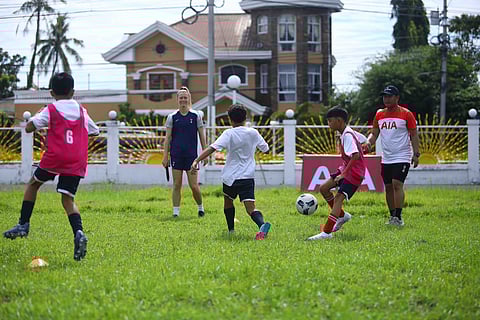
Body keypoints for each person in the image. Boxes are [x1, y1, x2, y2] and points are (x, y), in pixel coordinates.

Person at [3, 72, 99, 261]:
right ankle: (78, 232)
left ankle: (23, 225)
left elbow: (30, 128)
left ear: (52, 92)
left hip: (55, 156)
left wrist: (39, 115)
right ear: (73, 91)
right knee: (67, 200)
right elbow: (95, 131)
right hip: (76, 159)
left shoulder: (50, 109)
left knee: (33, 184)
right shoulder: (81, 110)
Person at [190, 104, 271, 240]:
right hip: (247, 177)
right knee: (251, 209)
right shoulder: (253, 132)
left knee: (228, 201)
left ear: (230, 120)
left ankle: (231, 231)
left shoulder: (229, 133)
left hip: (231, 177)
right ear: (245, 118)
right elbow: (266, 149)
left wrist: (196, 160)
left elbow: (212, 148)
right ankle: (261, 225)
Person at [364, 85, 420, 226]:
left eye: (389, 96)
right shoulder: (380, 114)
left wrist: (416, 154)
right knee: (388, 186)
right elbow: (374, 133)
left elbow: (414, 134)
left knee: (396, 184)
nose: (386, 99)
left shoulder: (406, 114)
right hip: (387, 157)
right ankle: (392, 216)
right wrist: (369, 143)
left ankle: (399, 217)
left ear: (397, 98)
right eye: (384, 96)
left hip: (402, 155)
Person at [307, 107, 366, 240]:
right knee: (324, 188)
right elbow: (363, 141)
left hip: (354, 173)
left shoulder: (348, 135)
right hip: (346, 169)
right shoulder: (347, 133)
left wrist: (344, 173)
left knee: (339, 198)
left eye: (330, 121)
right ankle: (342, 216)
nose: (328, 124)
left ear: (339, 121)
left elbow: (355, 155)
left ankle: (326, 232)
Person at [162, 87, 207, 218]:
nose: (183, 99)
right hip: (176, 155)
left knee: (194, 185)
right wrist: (165, 156)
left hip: (192, 157)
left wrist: (205, 154)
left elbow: (202, 136)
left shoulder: (195, 116)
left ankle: (200, 208)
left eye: (185, 97)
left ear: (189, 99)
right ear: (177, 100)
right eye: (181, 97)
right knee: (177, 184)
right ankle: (176, 212)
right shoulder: (172, 117)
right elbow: (167, 138)